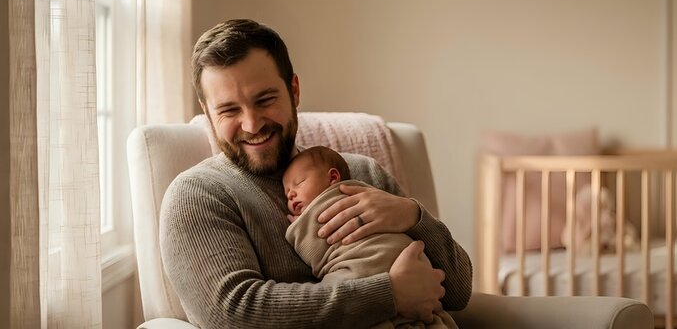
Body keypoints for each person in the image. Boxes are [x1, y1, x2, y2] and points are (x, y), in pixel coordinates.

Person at [160, 19, 472, 329]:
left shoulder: (362, 173)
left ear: (294, 91)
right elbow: (232, 315)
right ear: (207, 112)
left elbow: (458, 292)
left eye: (265, 100)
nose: (252, 124)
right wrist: (388, 294)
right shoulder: (197, 196)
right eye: (229, 110)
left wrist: (412, 215)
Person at [283, 146, 457, 329]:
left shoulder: (367, 175)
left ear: (332, 178)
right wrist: (393, 291)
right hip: (367, 284)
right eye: (286, 193)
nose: (291, 194)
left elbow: (458, 291)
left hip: (390, 259)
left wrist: (413, 213)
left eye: (300, 183)